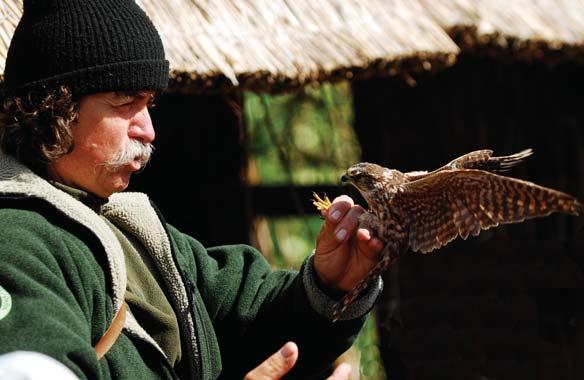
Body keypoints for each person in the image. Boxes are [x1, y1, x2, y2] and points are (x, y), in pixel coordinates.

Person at [0, 0, 384, 379]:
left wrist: (330, 283)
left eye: (148, 102)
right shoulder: (14, 243)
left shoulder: (130, 227)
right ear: (53, 108)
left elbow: (248, 318)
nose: (147, 130)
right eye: (123, 100)